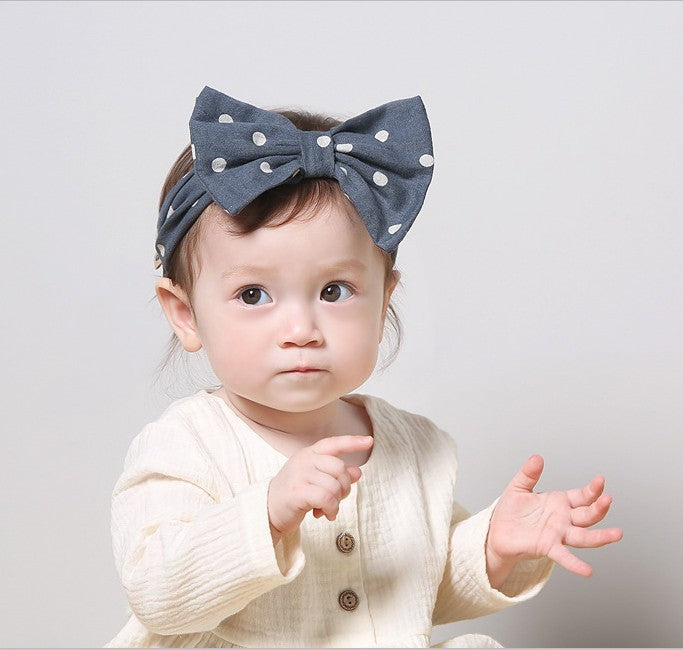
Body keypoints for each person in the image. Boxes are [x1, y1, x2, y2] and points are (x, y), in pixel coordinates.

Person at [105, 87, 623, 648]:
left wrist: (492, 547)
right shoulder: (187, 446)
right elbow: (157, 593)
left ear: (384, 302)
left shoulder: (413, 446)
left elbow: (416, 588)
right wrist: (268, 513)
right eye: (254, 295)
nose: (300, 329)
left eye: (335, 290)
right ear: (186, 315)